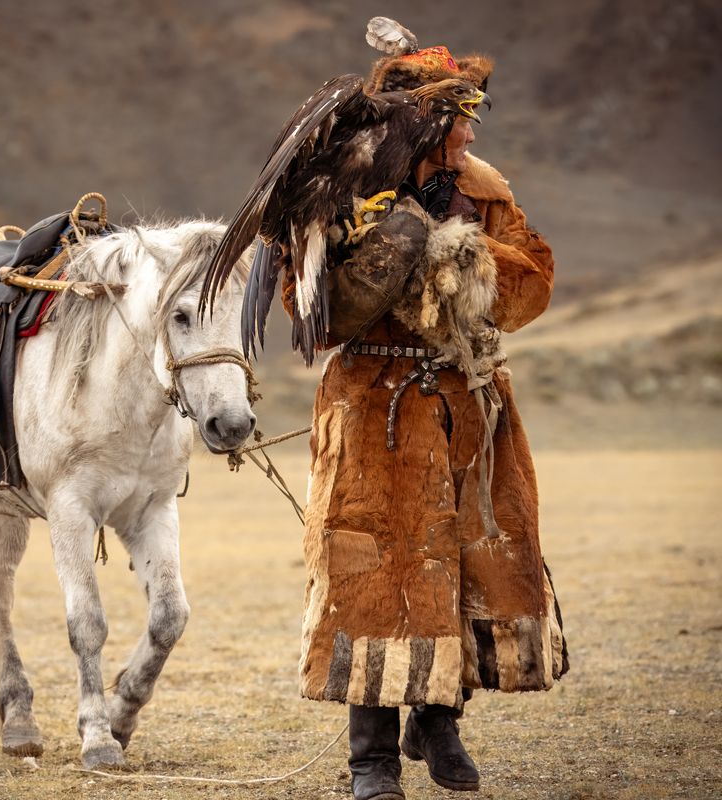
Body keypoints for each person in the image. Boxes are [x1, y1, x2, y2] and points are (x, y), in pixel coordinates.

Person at [286, 23, 570, 799]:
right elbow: (303, 304)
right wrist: (388, 248)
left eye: (474, 116)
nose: (473, 130)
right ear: (426, 121)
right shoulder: (337, 186)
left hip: (465, 405)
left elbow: (534, 285)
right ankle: (371, 762)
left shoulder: (484, 186)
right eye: (460, 116)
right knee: (373, 571)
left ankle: (440, 722)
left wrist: (467, 261)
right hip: (372, 410)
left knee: (470, 565)